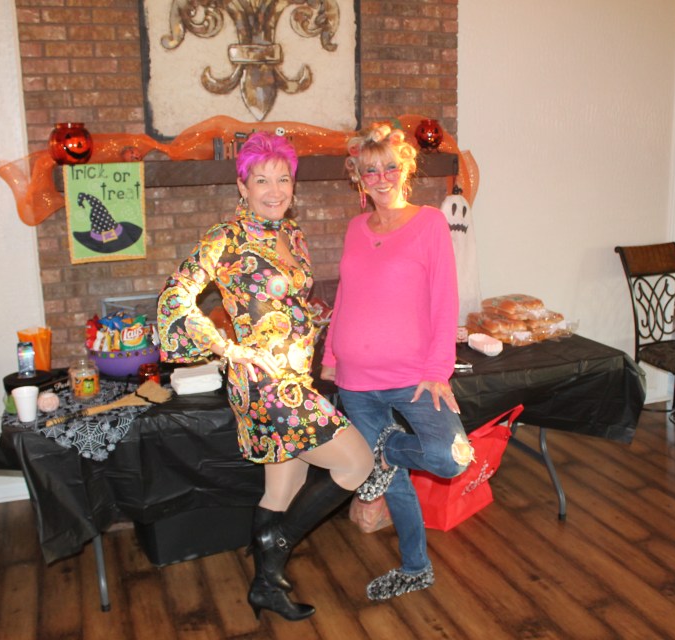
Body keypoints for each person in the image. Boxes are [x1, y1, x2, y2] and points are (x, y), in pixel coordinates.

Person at [157, 131, 373, 621]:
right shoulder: (226, 238)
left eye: (283, 179)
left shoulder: (291, 233)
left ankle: (265, 586)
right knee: (356, 463)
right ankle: (278, 541)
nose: (274, 190)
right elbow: (175, 297)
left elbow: (286, 301)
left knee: (284, 487)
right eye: (262, 180)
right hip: (266, 384)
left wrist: (316, 320)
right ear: (242, 186)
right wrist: (227, 347)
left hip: (297, 375)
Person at [321, 123, 474, 601]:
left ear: (405, 169)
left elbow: (445, 300)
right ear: (358, 178)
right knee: (397, 485)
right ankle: (415, 568)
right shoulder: (355, 228)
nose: (381, 177)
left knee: (450, 457)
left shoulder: (429, 223)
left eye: (390, 167)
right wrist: (330, 356)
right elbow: (345, 295)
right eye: (370, 170)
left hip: (414, 377)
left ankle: (386, 453)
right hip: (355, 379)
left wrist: (437, 371)